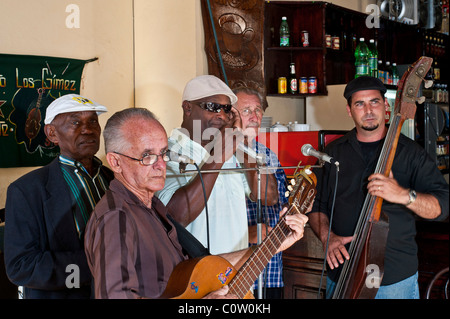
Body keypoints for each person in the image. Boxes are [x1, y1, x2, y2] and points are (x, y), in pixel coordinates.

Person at [83, 107, 308, 299]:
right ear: (115, 162)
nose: (161, 165)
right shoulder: (116, 217)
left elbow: (199, 272)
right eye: (147, 156)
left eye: (164, 153)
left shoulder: (152, 207)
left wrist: (275, 243)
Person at [308, 76, 449, 299]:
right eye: (359, 104)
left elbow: (442, 207)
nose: (368, 110)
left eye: (374, 102)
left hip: (393, 280)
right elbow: (315, 204)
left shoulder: (411, 153)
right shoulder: (332, 152)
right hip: (343, 274)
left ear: (387, 106)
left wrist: (403, 195)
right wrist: (327, 236)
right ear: (349, 110)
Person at [4, 94, 113, 299]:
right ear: (52, 133)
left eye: (93, 121)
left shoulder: (114, 180)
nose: (88, 129)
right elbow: (21, 266)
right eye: (75, 122)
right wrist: (97, 268)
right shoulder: (27, 190)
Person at [156, 75, 278, 255]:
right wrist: (218, 157)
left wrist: (240, 142)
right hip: (194, 276)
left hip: (238, 273)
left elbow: (269, 196)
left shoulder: (234, 151)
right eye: (212, 107)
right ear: (188, 108)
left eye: (227, 109)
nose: (221, 115)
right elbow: (175, 217)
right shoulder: (166, 152)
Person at [232, 86, 289, 299]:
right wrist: (245, 233)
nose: (255, 116)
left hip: (270, 271)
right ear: (230, 114)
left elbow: (279, 201)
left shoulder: (267, 154)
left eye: (258, 110)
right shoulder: (217, 154)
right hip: (233, 272)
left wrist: (299, 207)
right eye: (246, 111)